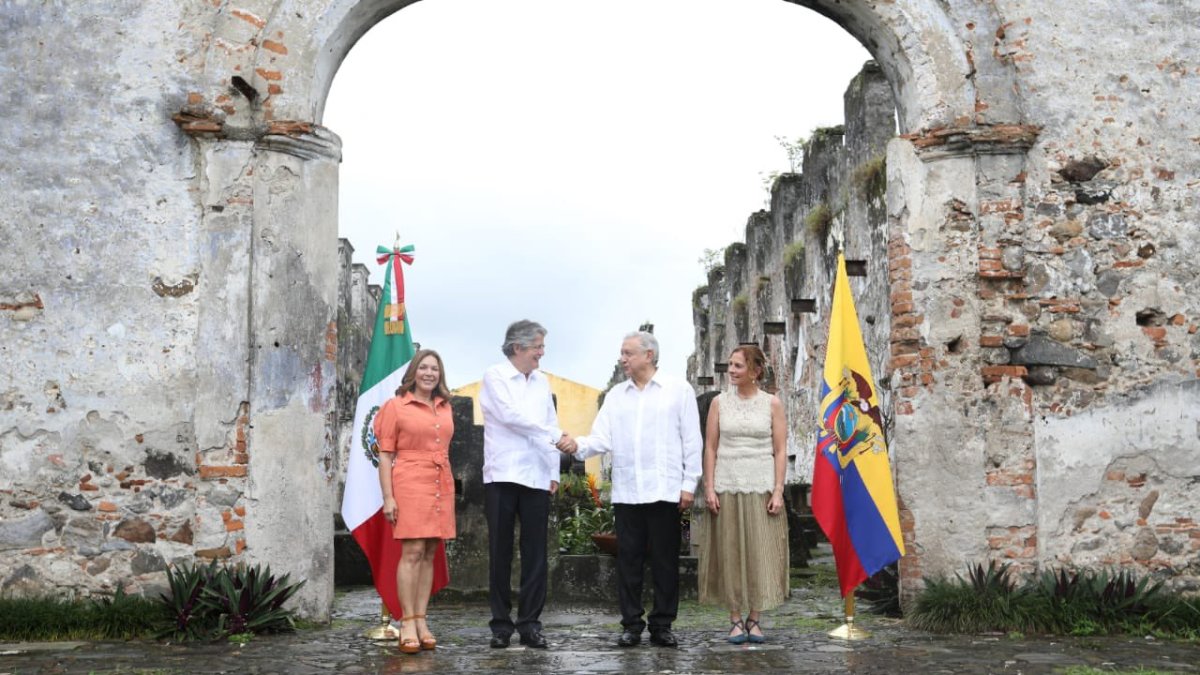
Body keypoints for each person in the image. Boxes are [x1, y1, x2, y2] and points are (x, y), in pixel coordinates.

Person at [571, 331, 702, 648]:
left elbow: (691, 441)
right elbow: (600, 439)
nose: (623, 358)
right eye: (622, 353)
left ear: (649, 355)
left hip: (666, 492)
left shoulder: (677, 390)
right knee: (628, 562)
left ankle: (662, 624)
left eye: (628, 353)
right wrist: (574, 445)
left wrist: (689, 485)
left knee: (666, 562)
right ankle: (631, 624)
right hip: (628, 493)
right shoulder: (617, 396)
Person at [480, 320, 574, 649]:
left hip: (535, 475)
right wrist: (554, 436)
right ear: (518, 347)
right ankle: (501, 625)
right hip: (503, 475)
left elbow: (551, 422)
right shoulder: (495, 376)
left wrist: (552, 472)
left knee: (536, 553)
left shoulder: (541, 381)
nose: (541, 353)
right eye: (537, 346)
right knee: (500, 552)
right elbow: (510, 416)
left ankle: (531, 623)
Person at [699, 344, 789, 644]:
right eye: (730, 365)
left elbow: (780, 450)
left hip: (762, 485)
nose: (731, 371)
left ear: (755, 371)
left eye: (738, 365)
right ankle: (735, 618)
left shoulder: (772, 404)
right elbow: (710, 447)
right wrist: (709, 488)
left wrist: (778, 490)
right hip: (727, 485)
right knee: (730, 551)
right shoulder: (719, 404)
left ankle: (755, 618)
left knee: (760, 552)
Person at [375, 349, 457, 654]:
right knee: (411, 551)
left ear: (440, 374)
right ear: (414, 372)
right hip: (408, 480)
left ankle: (422, 619)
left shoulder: (445, 407)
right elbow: (385, 456)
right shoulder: (395, 407)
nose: (429, 373)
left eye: (434, 369)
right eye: (423, 367)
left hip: (440, 481)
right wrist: (388, 498)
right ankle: (407, 621)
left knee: (430, 551)